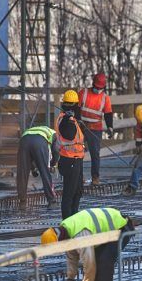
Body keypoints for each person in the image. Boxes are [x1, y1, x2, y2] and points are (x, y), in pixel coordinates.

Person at [40, 207, 135, 281]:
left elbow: (90, 264)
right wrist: (70, 278)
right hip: (108, 231)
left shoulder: (80, 235)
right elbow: (72, 256)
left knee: (103, 261)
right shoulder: (66, 229)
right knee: (98, 260)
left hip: (121, 227)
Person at [78, 73, 114, 185]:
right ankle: (79, 177)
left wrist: (110, 127)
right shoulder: (83, 93)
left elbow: (108, 114)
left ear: (103, 87)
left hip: (95, 128)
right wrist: (78, 119)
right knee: (78, 152)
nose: (98, 89)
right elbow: (76, 108)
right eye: (96, 87)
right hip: (81, 126)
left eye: (100, 88)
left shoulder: (105, 98)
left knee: (95, 154)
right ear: (93, 84)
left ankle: (95, 178)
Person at [56, 90, 86, 218]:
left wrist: (77, 121)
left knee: (78, 191)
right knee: (69, 192)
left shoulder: (73, 119)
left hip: (77, 160)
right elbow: (68, 135)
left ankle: (74, 217)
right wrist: (70, 119)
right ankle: (67, 221)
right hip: (69, 160)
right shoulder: (64, 119)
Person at [17, 126, 60, 210]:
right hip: (39, 142)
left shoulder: (31, 130)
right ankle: (52, 202)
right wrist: (52, 164)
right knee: (45, 172)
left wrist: (33, 169)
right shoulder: (54, 134)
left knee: (22, 172)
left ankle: (22, 203)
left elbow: (30, 158)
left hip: (24, 141)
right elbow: (56, 151)